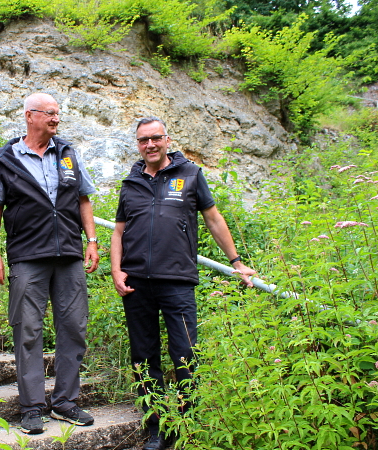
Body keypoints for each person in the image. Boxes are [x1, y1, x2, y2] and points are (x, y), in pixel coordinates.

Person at [110, 117, 257, 450]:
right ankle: (156, 428)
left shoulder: (190, 174)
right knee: (144, 358)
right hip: (135, 284)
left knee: (186, 354)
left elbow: (213, 218)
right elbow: (118, 232)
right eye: (143, 140)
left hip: (177, 280)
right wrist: (116, 270)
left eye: (155, 138)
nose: (150, 145)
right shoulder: (130, 184)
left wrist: (236, 262)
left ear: (167, 139)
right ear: (138, 144)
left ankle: (187, 426)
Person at [0, 93, 100, 434]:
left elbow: (83, 198)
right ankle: (32, 407)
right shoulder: (5, 159)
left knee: (74, 328)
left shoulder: (67, 153)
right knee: (28, 331)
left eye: (58, 114)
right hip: (27, 256)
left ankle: (65, 403)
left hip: (69, 255)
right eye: (49, 113)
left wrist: (91, 241)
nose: (56, 119)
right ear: (29, 116)